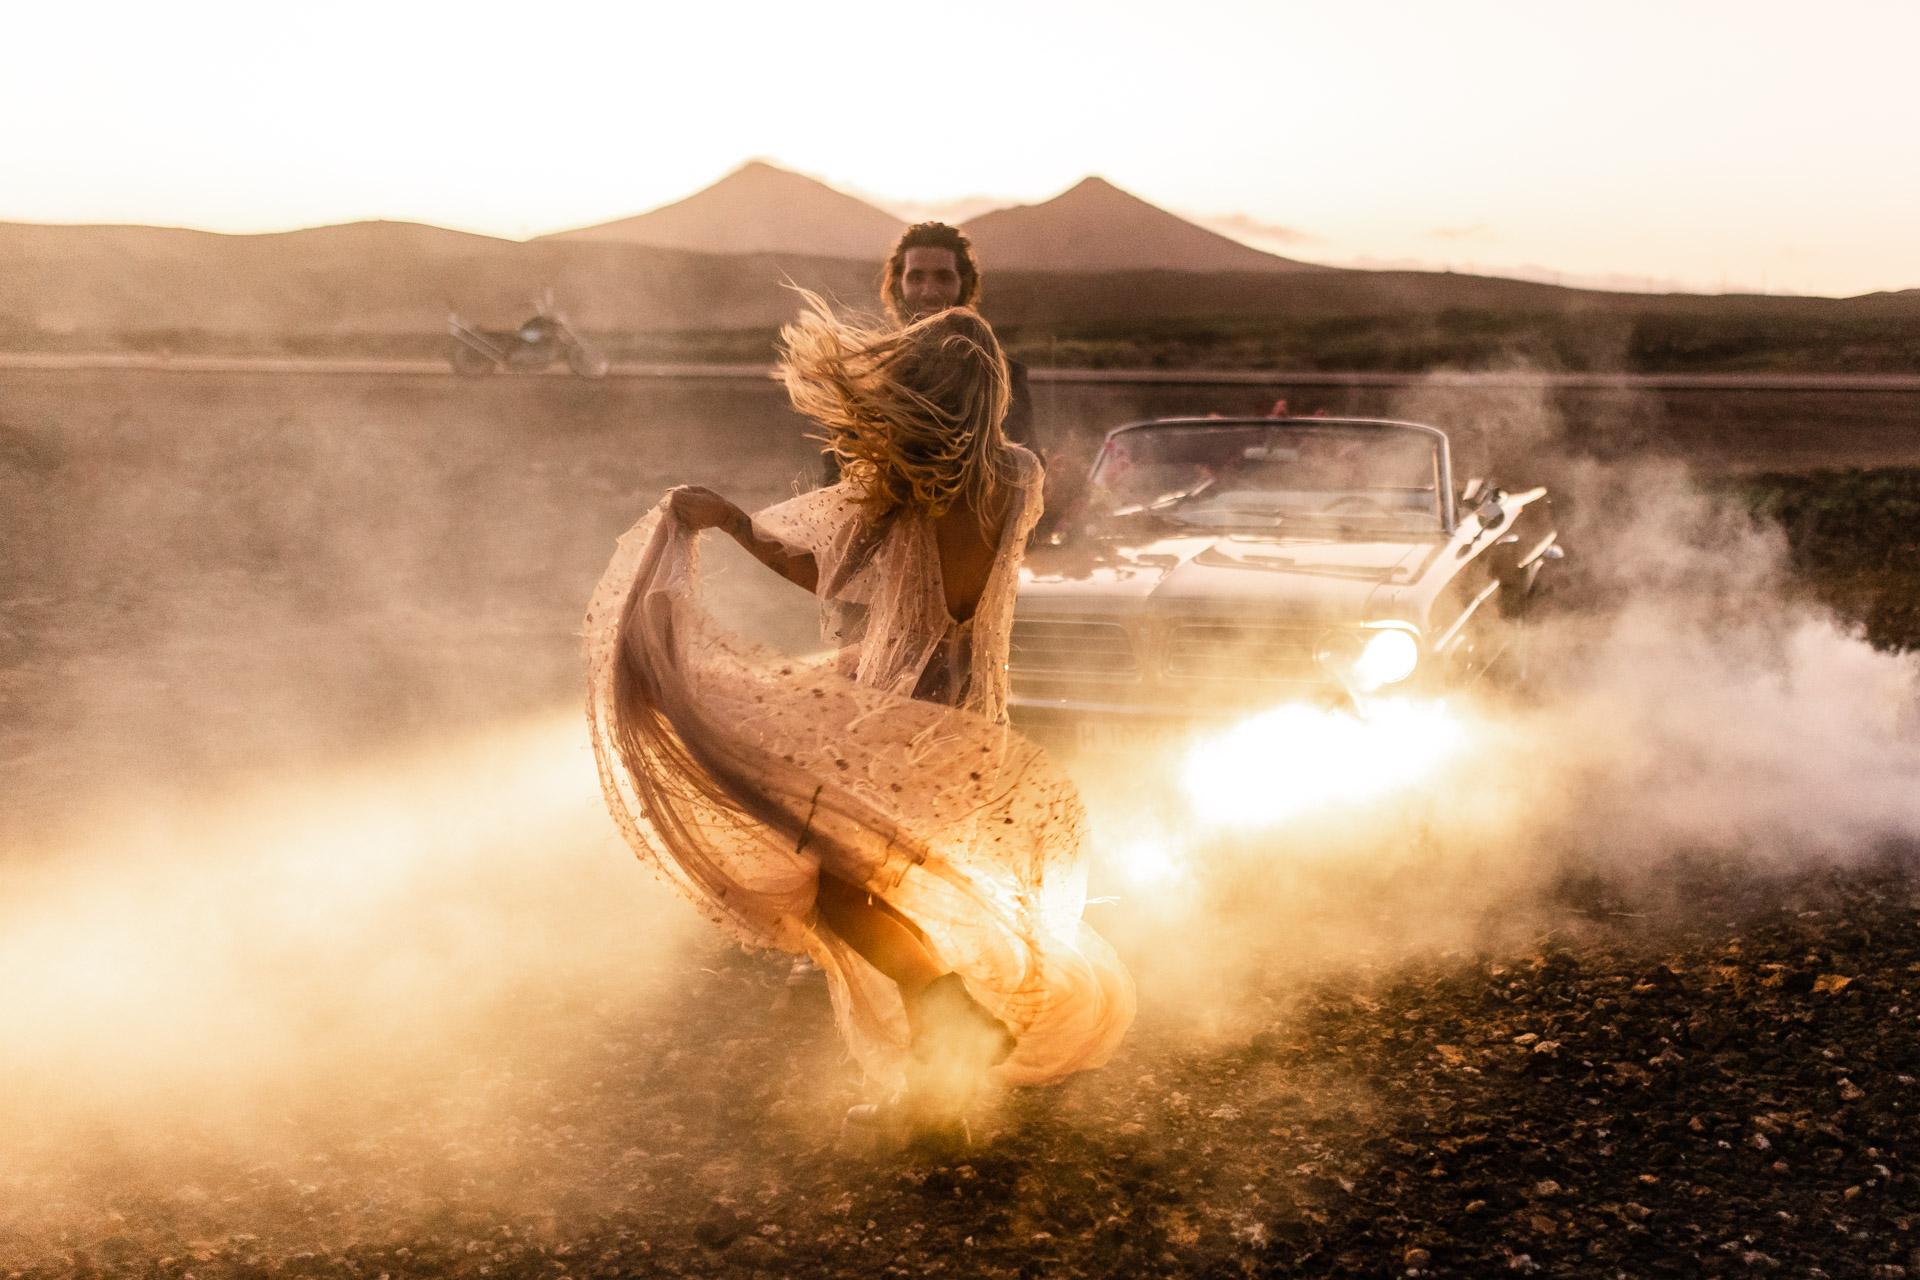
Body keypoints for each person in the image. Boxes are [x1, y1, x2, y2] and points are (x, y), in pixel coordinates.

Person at [584, 297, 1132, 1131]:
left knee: (842, 895)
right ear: (989, 400)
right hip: (971, 715)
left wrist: (728, 520)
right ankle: (936, 1097)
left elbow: (818, 573)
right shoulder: (1018, 477)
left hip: (897, 717)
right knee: (908, 891)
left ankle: (945, 1014)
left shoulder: (901, 493)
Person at [879, 222, 1037, 453]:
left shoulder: (1002, 377)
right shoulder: (872, 377)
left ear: (965, 284)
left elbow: (1025, 468)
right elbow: (838, 476)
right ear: (898, 285)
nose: (929, 292)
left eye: (943, 277)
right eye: (915, 278)